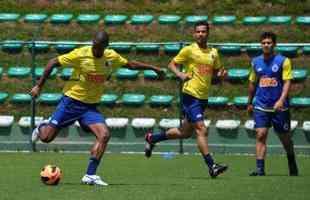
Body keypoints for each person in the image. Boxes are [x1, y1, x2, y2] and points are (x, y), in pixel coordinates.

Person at [30, 29, 165, 186]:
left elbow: (130, 64)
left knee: (104, 135)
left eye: (100, 46)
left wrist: (153, 68)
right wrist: (39, 86)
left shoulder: (110, 56)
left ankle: (90, 175)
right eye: (94, 45)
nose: (96, 49)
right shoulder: (81, 54)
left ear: (106, 46)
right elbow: (52, 62)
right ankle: (41, 126)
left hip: (89, 107)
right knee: (46, 138)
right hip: (71, 102)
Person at [144, 21, 228, 178]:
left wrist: (221, 76)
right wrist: (180, 74)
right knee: (201, 129)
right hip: (190, 95)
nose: (201, 34)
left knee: (185, 132)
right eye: (198, 32)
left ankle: (152, 138)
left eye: (203, 31)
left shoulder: (214, 53)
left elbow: (215, 75)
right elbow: (172, 64)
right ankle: (212, 166)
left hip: (203, 98)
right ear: (194, 34)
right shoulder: (189, 50)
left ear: (208, 33)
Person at [247, 31, 298, 176]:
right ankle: (260, 169)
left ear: (274, 45)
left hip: (279, 107)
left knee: (285, 139)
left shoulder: (283, 61)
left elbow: (287, 82)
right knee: (260, 134)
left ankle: (291, 160)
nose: (266, 45)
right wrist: (249, 102)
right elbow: (252, 82)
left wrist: (281, 100)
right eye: (263, 43)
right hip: (261, 105)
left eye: (269, 43)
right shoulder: (255, 62)